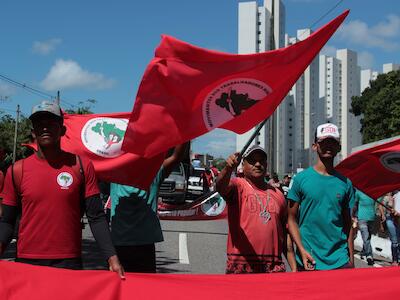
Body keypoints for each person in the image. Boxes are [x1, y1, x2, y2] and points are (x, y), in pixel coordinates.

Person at [0, 101, 124, 277]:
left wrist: (112, 257)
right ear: (33, 132)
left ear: (62, 130)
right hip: (27, 262)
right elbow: (6, 222)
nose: (45, 128)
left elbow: (96, 217)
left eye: (51, 123)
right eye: (39, 124)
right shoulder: (17, 171)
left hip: (68, 262)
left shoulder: (81, 166)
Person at [216, 145, 296, 274]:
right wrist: (228, 169)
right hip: (241, 269)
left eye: (261, 160)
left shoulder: (278, 194)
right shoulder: (238, 186)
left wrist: (294, 269)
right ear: (243, 164)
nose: (258, 164)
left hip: (273, 269)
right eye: (252, 160)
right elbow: (220, 187)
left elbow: (285, 236)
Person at [109, 143, 188, 273]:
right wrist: (184, 132)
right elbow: (176, 157)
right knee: (144, 290)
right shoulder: (153, 174)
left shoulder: (115, 173)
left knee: (121, 289)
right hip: (142, 246)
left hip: (121, 244)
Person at [287, 123, 355, 271]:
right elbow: (291, 219)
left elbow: (348, 223)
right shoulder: (300, 179)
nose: (328, 146)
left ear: (339, 147)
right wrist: (300, 249)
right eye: (324, 142)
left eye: (333, 142)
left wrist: (351, 259)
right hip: (309, 259)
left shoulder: (346, 183)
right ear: (314, 146)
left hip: (340, 260)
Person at [352, 189, 376, 265]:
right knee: (366, 237)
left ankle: (363, 252)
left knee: (368, 237)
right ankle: (369, 255)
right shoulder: (358, 192)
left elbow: (379, 200)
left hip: (372, 218)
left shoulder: (374, 192)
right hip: (362, 218)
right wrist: (352, 215)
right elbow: (355, 204)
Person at [378, 192, 400, 266]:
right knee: (394, 240)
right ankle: (395, 260)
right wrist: (383, 215)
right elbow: (380, 205)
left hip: (398, 219)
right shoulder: (390, 197)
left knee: (398, 241)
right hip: (391, 219)